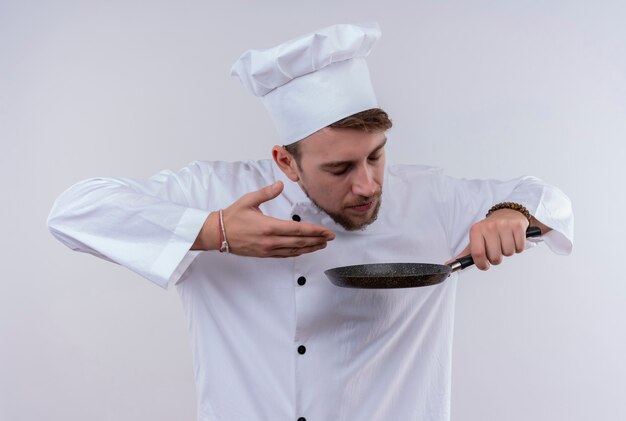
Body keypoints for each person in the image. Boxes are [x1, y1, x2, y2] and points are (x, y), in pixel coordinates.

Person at [47, 22, 573, 421]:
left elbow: (545, 198)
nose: (367, 184)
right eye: (340, 168)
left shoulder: (430, 197)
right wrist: (216, 232)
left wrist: (513, 213)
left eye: (375, 156)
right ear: (284, 161)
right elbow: (73, 210)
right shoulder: (216, 194)